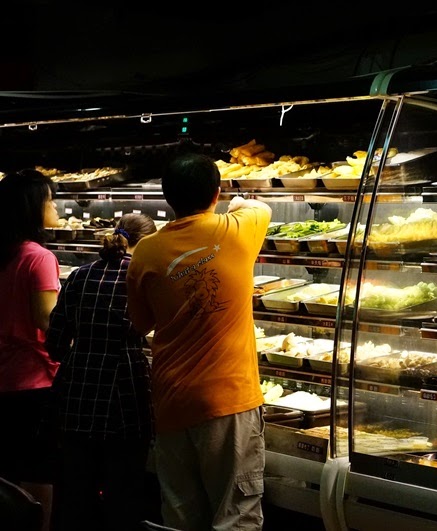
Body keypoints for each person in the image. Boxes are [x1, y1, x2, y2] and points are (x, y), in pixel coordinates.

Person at [126, 152, 272, 531]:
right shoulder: (237, 229)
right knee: (235, 515)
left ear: (167, 197)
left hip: (172, 400)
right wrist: (235, 204)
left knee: (181, 518)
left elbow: (140, 323)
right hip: (229, 399)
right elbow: (259, 206)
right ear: (216, 194)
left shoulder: (146, 250)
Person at [45, 213, 159, 531]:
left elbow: (54, 342)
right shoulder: (142, 278)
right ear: (147, 244)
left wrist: (81, 355)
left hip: (77, 397)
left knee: (76, 496)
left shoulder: (79, 276)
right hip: (128, 397)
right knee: (124, 496)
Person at [0, 168, 62, 531]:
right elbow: (46, 320)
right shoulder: (38, 257)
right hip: (35, 381)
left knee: (9, 472)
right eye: (50, 200)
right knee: (39, 472)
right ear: (31, 207)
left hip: (6, 376)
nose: (55, 207)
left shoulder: (5, 254)